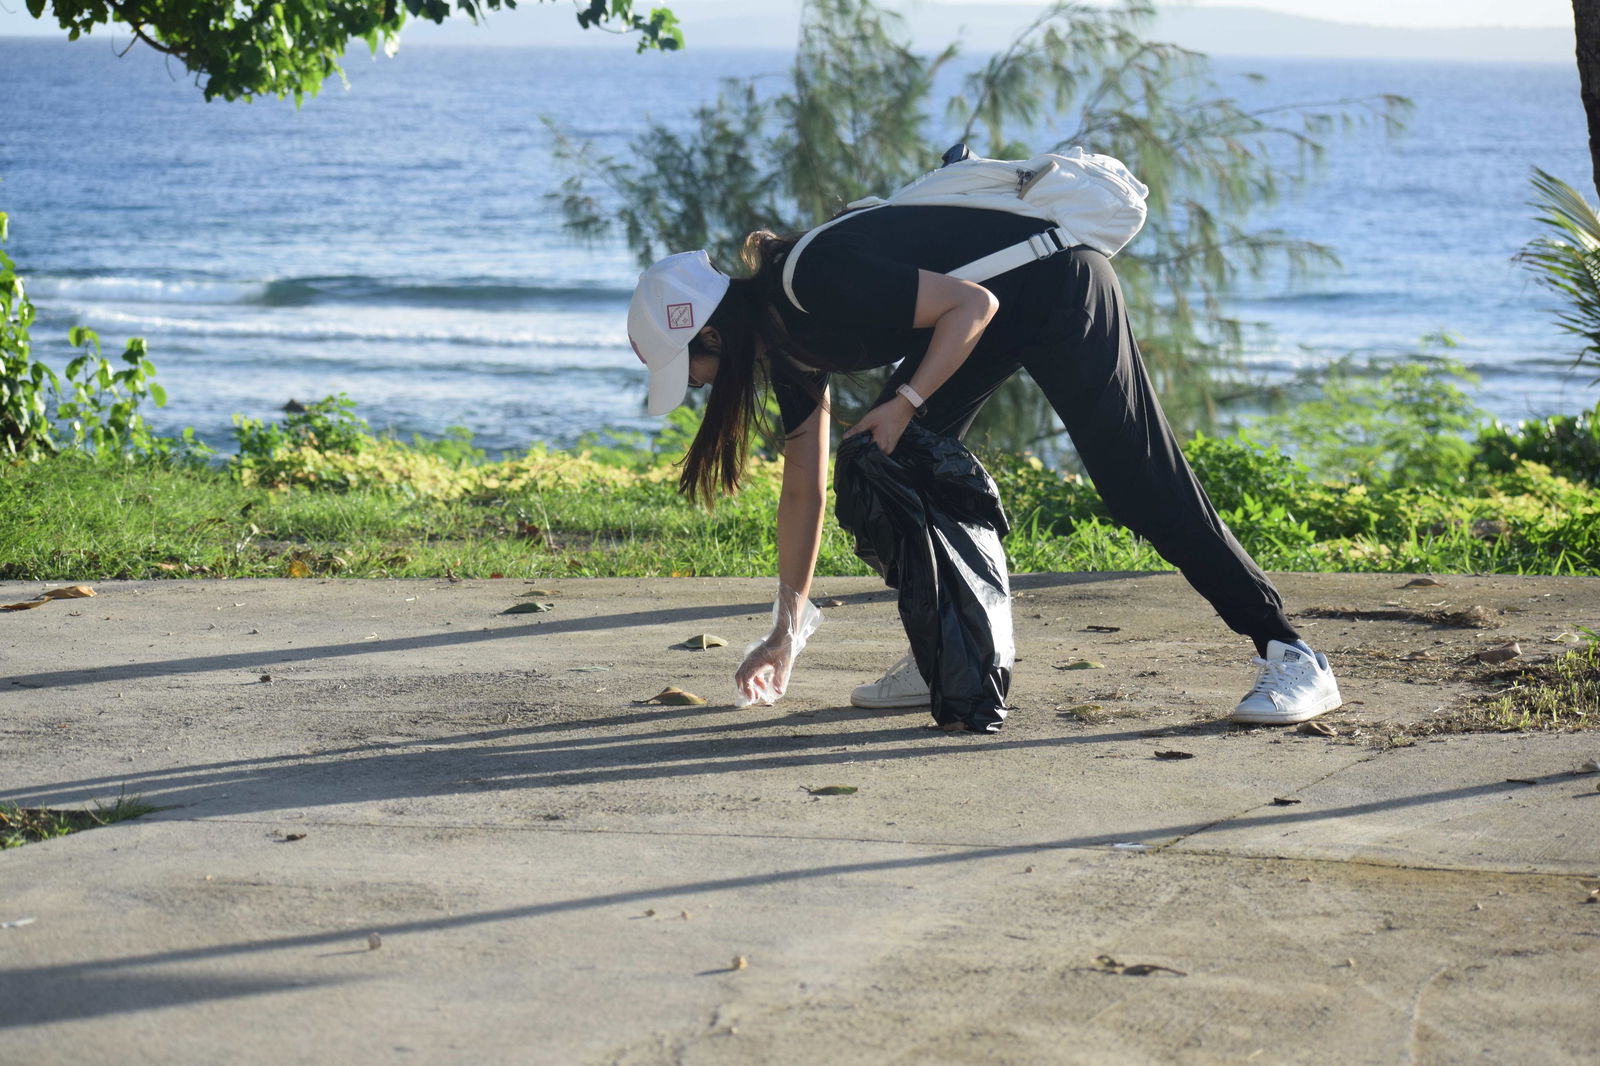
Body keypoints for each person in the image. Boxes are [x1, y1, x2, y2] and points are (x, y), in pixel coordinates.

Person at [625, 203, 1342, 727]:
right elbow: (803, 493)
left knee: (1138, 483)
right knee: (879, 466)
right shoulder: (786, 342)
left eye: (694, 370)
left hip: (1060, 288)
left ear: (710, 329)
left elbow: (972, 303)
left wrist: (905, 399)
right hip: (1008, 310)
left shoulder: (812, 282)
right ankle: (948, 649)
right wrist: (784, 631)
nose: (701, 388)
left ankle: (1290, 653)